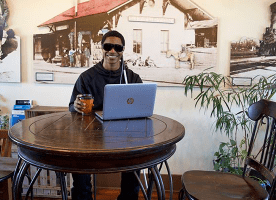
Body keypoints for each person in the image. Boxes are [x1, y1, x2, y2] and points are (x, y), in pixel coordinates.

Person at [69, 30, 142, 200]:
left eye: (118, 48)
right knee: (80, 175)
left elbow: (141, 109)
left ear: (123, 51)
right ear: (101, 48)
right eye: (108, 46)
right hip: (90, 140)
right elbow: (71, 107)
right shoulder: (86, 78)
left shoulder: (132, 78)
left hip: (125, 138)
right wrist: (76, 106)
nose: (113, 51)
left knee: (135, 166)